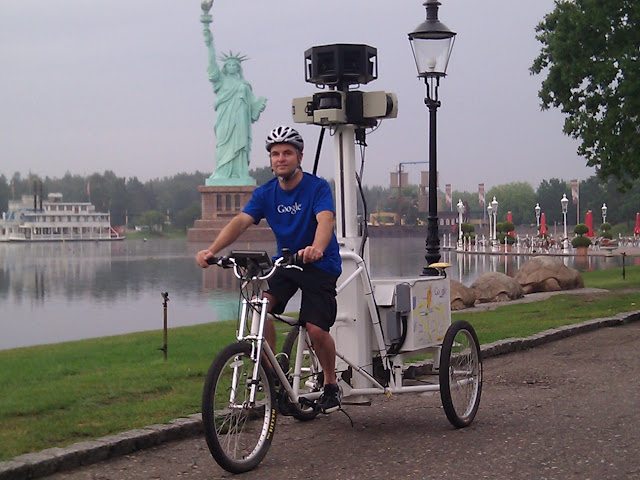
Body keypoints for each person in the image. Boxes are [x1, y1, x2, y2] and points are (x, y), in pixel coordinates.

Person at [195, 126, 342, 413]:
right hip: (284, 264)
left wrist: (316, 248)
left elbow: (326, 220)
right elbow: (240, 222)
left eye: (287, 153)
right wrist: (212, 251)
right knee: (259, 308)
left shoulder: (317, 187)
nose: (281, 159)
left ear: (299, 156)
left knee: (315, 328)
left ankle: (330, 384)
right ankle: (273, 373)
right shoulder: (266, 193)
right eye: (275, 154)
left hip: (318, 264)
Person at [201, 6, 266, 185]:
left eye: (234, 65)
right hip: (225, 119)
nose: (231, 67)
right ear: (225, 67)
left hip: (241, 122)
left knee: (240, 147)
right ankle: (222, 173)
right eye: (228, 64)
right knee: (223, 145)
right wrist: (207, 29)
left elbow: (253, 110)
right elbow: (212, 60)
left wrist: (259, 104)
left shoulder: (244, 85)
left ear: (238, 67)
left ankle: (239, 174)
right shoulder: (219, 81)